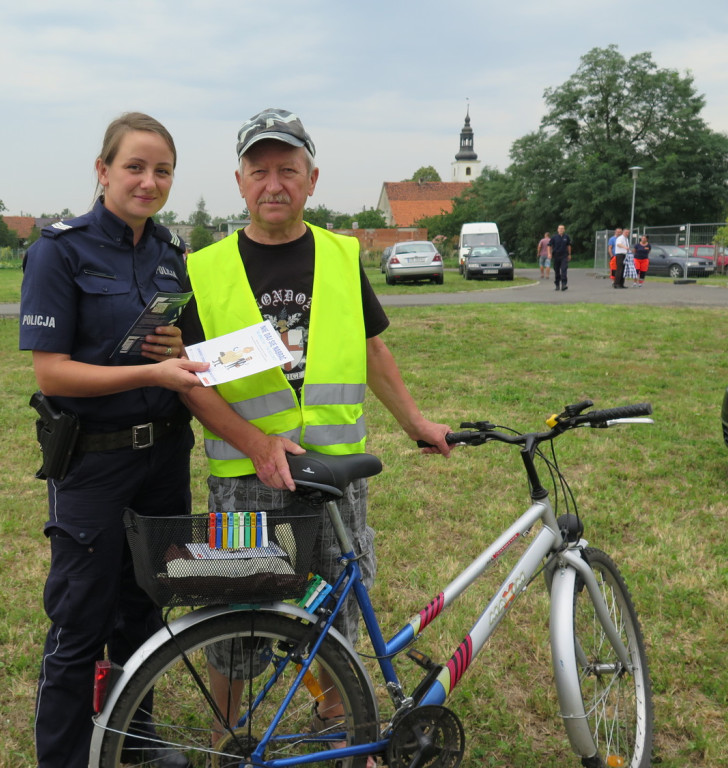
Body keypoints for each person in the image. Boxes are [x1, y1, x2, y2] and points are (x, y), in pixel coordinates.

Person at [179, 107, 452, 745]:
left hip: (335, 475)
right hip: (245, 476)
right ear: (240, 181)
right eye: (259, 171)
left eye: (288, 170)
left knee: (336, 612)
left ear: (312, 178)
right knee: (237, 620)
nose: (273, 184)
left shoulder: (340, 255)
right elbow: (190, 381)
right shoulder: (203, 269)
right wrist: (255, 443)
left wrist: (415, 421)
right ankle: (229, 738)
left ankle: (337, 723)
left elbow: (371, 348)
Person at [19, 112, 208, 768]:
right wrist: (151, 372)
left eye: (162, 171)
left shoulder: (171, 254)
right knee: (81, 619)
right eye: (135, 167)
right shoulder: (59, 251)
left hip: (165, 456)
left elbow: (190, 352)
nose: (148, 181)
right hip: (94, 462)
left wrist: (179, 350)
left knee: (147, 608)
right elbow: (52, 372)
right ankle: (65, 757)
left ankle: (136, 740)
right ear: (103, 171)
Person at [549, 224, 572, 291]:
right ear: (558, 230)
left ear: (564, 230)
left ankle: (564, 284)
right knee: (557, 270)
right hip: (556, 255)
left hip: (564, 255)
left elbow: (569, 246)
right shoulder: (554, 237)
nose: (561, 230)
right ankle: (557, 285)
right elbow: (549, 245)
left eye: (562, 228)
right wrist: (549, 253)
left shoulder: (566, 237)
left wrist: (569, 254)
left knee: (564, 269)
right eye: (560, 228)